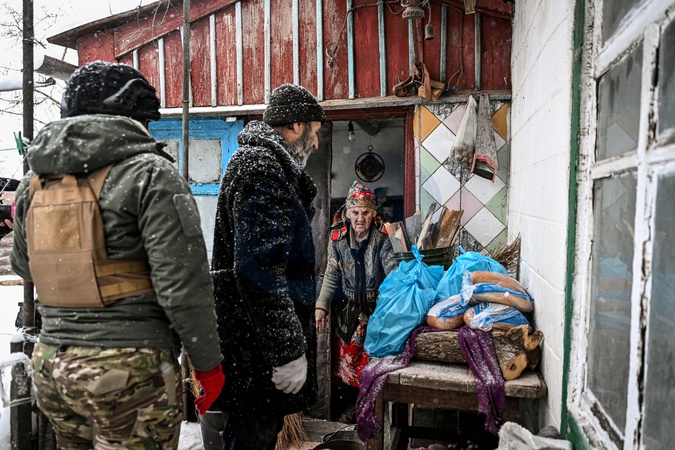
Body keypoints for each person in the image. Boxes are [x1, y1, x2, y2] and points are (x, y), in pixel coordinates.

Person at [10, 61, 224, 449]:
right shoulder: (151, 174)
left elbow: (25, 266)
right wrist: (208, 366)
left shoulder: (34, 183)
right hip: (128, 371)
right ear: (134, 118)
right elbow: (184, 287)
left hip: (53, 366)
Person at [208, 83, 326, 450]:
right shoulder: (261, 169)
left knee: (253, 436)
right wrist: (288, 352)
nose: (316, 143)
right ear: (295, 125)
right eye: (314, 131)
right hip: (255, 353)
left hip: (254, 348)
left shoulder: (264, 165)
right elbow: (260, 272)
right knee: (251, 439)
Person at [315, 180, 397, 421]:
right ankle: (355, 410)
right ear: (348, 214)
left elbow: (392, 274)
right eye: (356, 212)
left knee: (375, 364)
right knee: (349, 366)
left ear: (373, 215)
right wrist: (321, 306)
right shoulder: (338, 239)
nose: (360, 218)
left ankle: (372, 412)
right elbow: (332, 274)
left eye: (365, 213)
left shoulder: (382, 239)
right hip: (350, 313)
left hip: (377, 312)